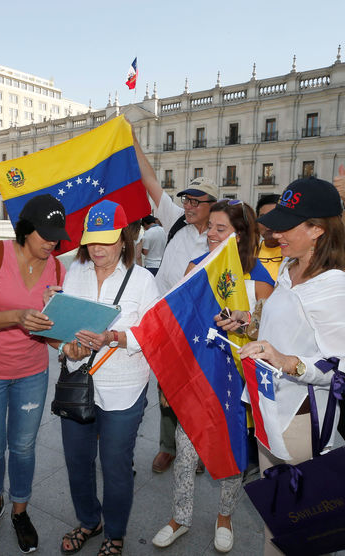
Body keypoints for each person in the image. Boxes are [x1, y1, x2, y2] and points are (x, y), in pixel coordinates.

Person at [216, 177, 345, 556]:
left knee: (298, 526)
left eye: (288, 225)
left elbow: (341, 367)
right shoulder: (290, 267)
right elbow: (285, 328)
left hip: (301, 420)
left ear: (317, 229)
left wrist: (287, 362)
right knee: (279, 517)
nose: (275, 231)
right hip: (271, 407)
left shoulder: (335, 286)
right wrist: (247, 322)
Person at [153, 199, 274, 553]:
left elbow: (270, 336)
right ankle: (180, 517)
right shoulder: (195, 267)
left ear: (240, 234)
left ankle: (224, 516)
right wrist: (170, 379)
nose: (210, 234)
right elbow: (180, 325)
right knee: (186, 452)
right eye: (211, 228)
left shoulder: (261, 278)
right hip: (198, 376)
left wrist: (246, 323)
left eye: (221, 228)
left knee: (233, 453)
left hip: (238, 385)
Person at [0, 193, 68, 553]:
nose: (51, 242)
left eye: (57, 235)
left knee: (23, 447)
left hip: (31, 372)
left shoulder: (56, 268)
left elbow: (51, 329)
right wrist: (18, 316)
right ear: (25, 229)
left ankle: (20, 510)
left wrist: (67, 340)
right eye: (45, 234)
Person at [55, 201, 160, 556]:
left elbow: (152, 334)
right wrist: (67, 349)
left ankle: (114, 533)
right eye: (92, 240)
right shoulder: (75, 273)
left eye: (107, 240)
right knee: (76, 461)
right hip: (79, 381)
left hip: (124, 387)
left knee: (115, 465)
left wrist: (113, 338)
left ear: (124, 239)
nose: (98, 248)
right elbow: (63, 328)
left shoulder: (144, 281)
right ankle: (89, 521)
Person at [132, 131, 217, 474]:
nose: (189, 205)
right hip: (168, 321)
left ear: (214, 204)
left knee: (198, 389)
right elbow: (149, 177)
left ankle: (197, 446)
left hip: (201, 326)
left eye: (197, 201)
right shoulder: (175, 220)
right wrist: (132, 139)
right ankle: (168, 446)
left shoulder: (224, 237)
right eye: (187, 199)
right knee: (167, 385)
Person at [256, 195, 282, 281]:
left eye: (274, 217)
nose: (268, 223)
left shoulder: (296, 256)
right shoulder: (248, 251)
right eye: (263, 217)